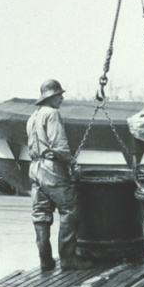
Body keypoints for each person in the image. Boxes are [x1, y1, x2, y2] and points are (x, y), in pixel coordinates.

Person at [26, 79, 92, 271]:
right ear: (51, 97)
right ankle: (68, 259)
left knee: (41, 213)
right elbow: (59, 145)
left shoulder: (33, 117)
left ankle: (45, 261)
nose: (62, 98)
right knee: (69, 208)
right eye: (59, 95)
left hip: (35, 167)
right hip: (51, 168)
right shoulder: (52, 114)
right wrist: (72, 163)